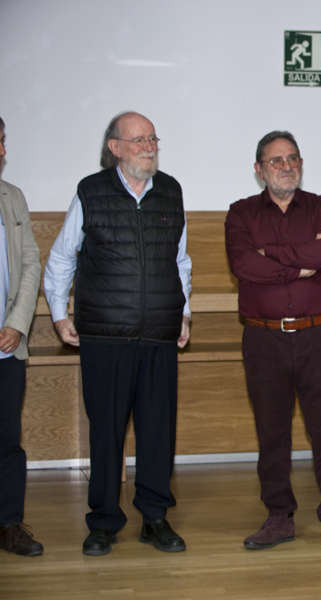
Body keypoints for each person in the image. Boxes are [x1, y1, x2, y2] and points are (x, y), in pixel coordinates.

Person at [43, 111, 192, 556]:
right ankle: (104, 521)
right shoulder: (91, 191)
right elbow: (62, 258)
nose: (149, 146)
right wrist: (57, 312)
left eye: (152, 138)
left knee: (157, 431)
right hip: (105, 336)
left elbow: (179, 261)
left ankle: (155, 517)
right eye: (139, 139)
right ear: (115, 148)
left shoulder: (171, 191)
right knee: (106, 432)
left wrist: (183, 313)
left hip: (159, 334)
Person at [225, 131, 321, 557]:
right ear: (259, 169)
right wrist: (298, 264)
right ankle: (278, 517)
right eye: (276, 160)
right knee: (272, 433)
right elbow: (243, 264)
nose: (286, 166)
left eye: (293, 158)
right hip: (263, 338)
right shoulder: (240, 213)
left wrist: (273, 257)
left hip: (318, 335)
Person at [0, 116, 43, 557]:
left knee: (7, 440)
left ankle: (9, 523)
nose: (0, 152)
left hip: (7, 345)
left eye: (1, 143)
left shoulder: (12, 198)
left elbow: (30, 263)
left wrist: (16, 322)